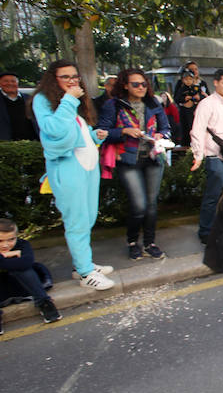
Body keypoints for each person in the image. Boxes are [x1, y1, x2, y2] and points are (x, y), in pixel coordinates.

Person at [30, 60, 114, 290]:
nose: (72, 80)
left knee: (87, 218)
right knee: (77, 221)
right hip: (68, 169)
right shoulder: (43, 100)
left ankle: (83, 264)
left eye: (75, 76)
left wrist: (95, 136)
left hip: (87, 167)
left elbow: (78, 131)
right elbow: (54, 130)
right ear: (52, 79)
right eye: (65, 77)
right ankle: (86, 273)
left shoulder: (71, 103)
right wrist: (69, 100)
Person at [97, 67, 172, 260]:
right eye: (136, 84)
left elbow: (166, 128)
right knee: (138, 205)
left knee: (151, 204)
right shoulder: (113, 105)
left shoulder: (154, 102)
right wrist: (123, 131)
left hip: (153, 158)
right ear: (125, 85)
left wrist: (161, 135)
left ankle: (150, 243)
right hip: (128, 159)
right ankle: (132, 242)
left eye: (144, 84)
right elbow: (101, 133)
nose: (141, 87)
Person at [190, 69, 223, 244]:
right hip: (215, 156)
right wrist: (198, 155)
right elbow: (197, 130)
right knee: (212, 196)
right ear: (216, 83)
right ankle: (205, 231)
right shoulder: (206, 104)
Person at [0, 218, 60, 328]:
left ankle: (44, 303)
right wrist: (5, 256)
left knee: (23, 269)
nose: (6, 245)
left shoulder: (23, 245)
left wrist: (3, 261)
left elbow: (26, 263)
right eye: (0, 241)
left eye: (11, 239)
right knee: (18, 265)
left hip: (21, 286)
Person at [173, 67, 207, 146]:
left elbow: (203, 97)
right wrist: (184, 99)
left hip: (195, 110)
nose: (188, 81)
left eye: (190, 79)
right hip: (184, 111)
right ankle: (185, 145)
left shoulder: (197, 87)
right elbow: (177, 98)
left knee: (195, 128)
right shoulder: (181, 88)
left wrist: (197, 98)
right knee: (185, 129)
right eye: (186, 79)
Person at [0, 72, 38, 141]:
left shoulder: (29, 99)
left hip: (32, 141)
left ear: (17, 83)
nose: (10, 83)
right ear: (0, 83)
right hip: (5, 144)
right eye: (6, 81)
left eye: (13, 81)